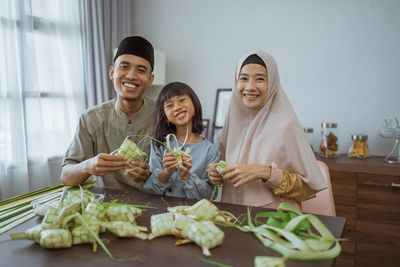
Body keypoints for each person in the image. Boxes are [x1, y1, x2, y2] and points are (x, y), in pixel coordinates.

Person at [207, 51, 327, 208]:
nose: (250, 87)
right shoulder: (232, 123)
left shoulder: (286, 125)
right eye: (243, 78)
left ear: (272, 83)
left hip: (274, 220)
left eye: (260, 79)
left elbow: (307, 187)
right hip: (232, 216)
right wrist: (216, 174)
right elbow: (225, 169)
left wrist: (265, 172)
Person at [61, 36, 156, 190]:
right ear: (112, 72)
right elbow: (66, 177)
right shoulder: (90, 118)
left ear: (150, 79)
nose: (131, 75)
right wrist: (88, 165)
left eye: (141, 70)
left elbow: (183, 173)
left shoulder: (164, 115)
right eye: (124, 67)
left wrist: (152, 175)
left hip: (156, 206)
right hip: (109, 206)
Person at [144, 82, 219, 199]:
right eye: (169, 105)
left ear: (194, 104)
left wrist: (187, 176)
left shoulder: (210, 150)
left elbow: (210, 196)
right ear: (165, 117)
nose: (177, 107)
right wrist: (167, 172)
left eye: (182, 100)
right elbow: (150, 189)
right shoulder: (158, 144)